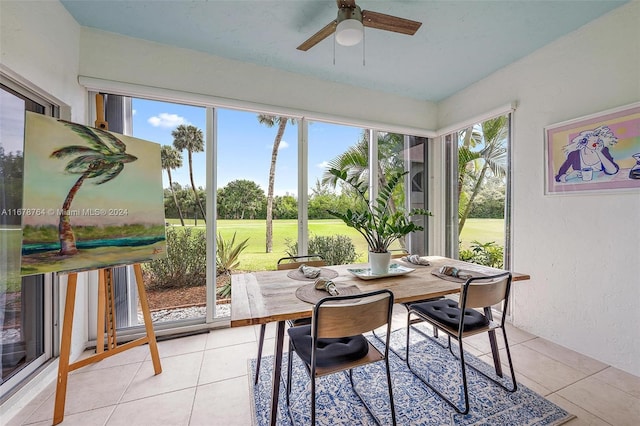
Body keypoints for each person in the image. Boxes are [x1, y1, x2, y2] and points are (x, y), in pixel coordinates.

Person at [555, 125, 619, 182]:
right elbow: (559, 176)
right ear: (584, 142)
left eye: (598, 142)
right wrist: (569, 176)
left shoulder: (603, 151)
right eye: (594, 141)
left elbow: (612, 171)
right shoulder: (574, 154)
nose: (596, 144)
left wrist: (598, 152)